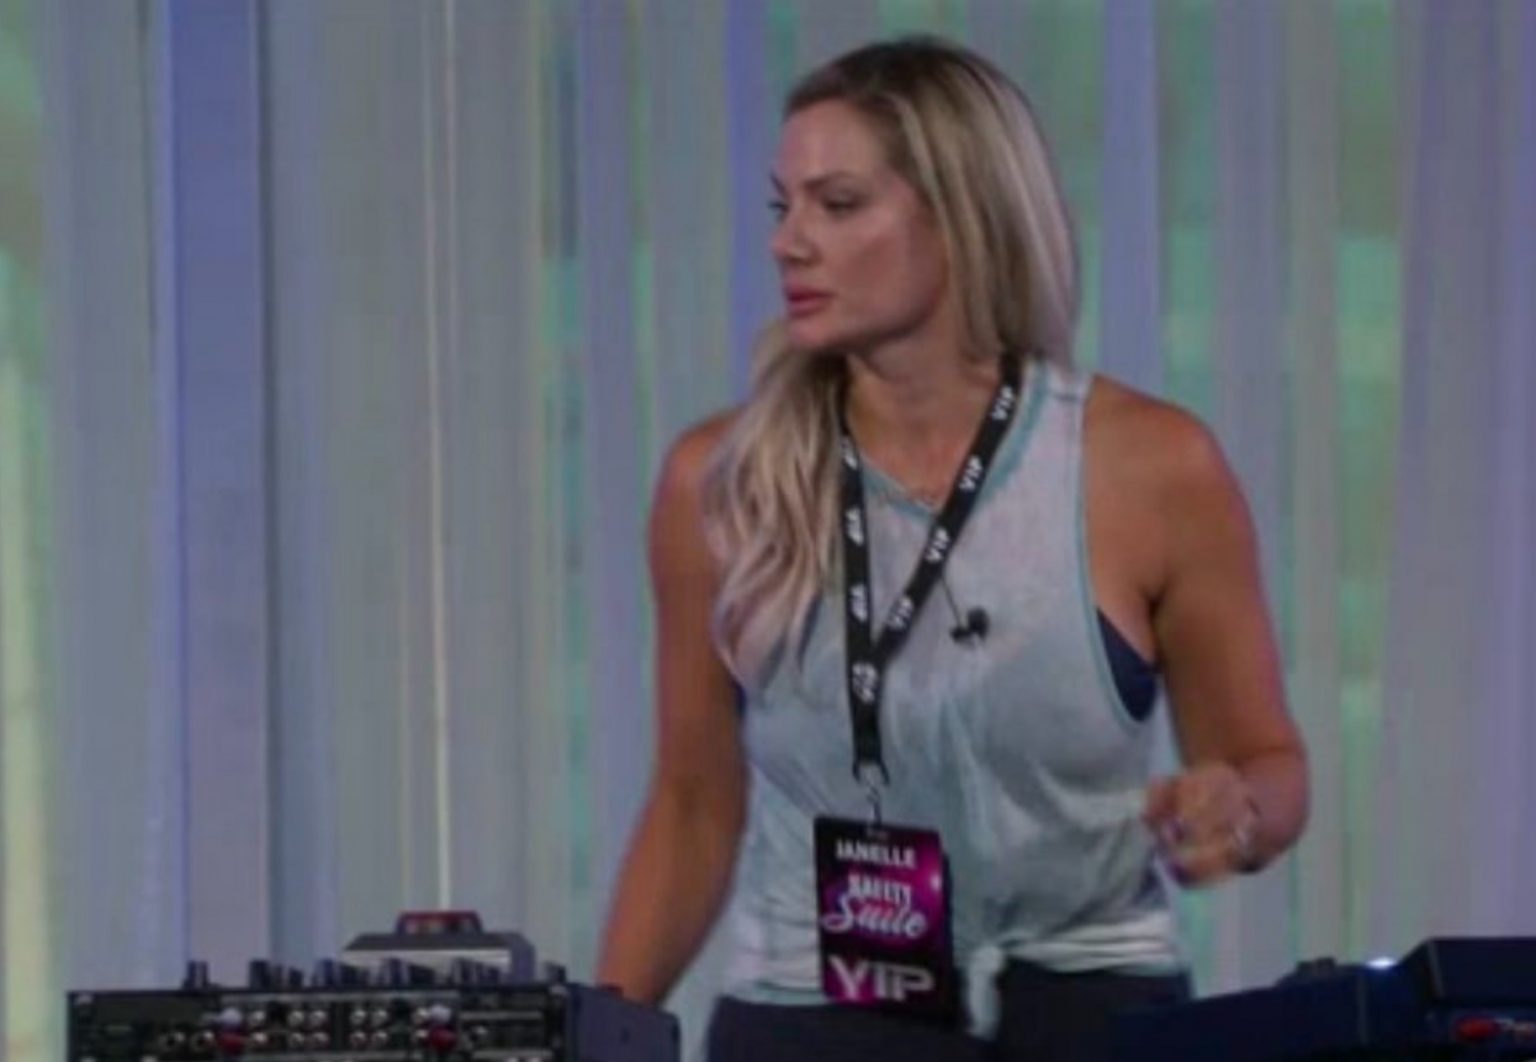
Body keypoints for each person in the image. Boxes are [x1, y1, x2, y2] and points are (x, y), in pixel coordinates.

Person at [596, 35, 1308, 1062]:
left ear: (962, 218)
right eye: (783, 207)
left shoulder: (1154, 466)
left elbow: (1270, 764)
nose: (790, 243)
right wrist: (594, 1030)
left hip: (1089, 1007)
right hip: (815, 1016)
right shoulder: (719, 481)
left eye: (838, 205)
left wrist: (1236, 812)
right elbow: (693, 805)